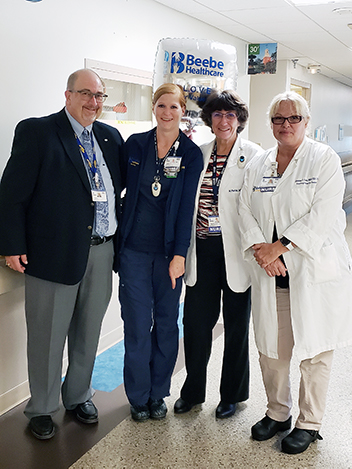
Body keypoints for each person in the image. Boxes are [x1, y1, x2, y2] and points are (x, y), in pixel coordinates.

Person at [0, 69, 124, 440]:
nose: (93, 102)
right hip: (51, 255)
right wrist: (12, 246)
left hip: (102, 252)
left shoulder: (110, 136)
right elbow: (11, 195)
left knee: (88, 332)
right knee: (47, 337)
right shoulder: (38, 131)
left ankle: (79, 395)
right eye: (85, 93)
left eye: (100, 95)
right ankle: (41, 407)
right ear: (67, 95)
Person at [238, 91, 352, 454]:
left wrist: (280, 247)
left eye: (293, 119)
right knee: (271, 349)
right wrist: (263, 250)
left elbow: (321, 216)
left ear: (306, 122)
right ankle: (277, 412)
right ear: (270, 123)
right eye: (278, 119)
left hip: (312, 270)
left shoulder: (324, 160)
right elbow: (244, 208)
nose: (285, 125)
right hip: (271, 272)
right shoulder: (260, 163)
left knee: (315, 350)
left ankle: (309, 422)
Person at [173, 90, 263, 419]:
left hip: (237, 252)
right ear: (209, 120)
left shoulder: (254, 156)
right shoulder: (199, 154)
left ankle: (232, 395)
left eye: (230, 115)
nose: (224, 121)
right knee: (196, 325)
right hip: (203, 250)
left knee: (237, 327)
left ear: (239, 120)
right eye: (217, 115)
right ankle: (193, 391)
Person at [118, 83, 203, 422]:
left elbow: (187, 209)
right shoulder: (136, 145)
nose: (168, 113)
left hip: (169, 256)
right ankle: (138, 396)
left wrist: (180, 254)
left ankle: (158, 393)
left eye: (174, 107)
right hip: (134, 252)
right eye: (162, 106)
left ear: (184, 112)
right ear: (154, 107)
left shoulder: (191, 154)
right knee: (137, 325)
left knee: (167, 325)